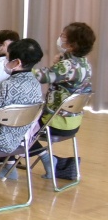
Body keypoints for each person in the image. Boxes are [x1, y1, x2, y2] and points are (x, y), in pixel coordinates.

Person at [33, 22, 95, 179]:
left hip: (55, 123)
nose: (60, 38)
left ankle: (47, 159)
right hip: (72, 123)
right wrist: (59, 62)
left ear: (72, 45)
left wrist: (16, 67)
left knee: (17, 127)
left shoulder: (67, 65)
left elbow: (41, 77)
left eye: (63, 36)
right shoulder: (85, 64)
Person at [0, 38, 44, 179]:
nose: (5, 61)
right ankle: (9, 168)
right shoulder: (35, 83)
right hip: (21, 137)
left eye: (7, 58)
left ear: (16, 63)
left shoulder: (5, 86)